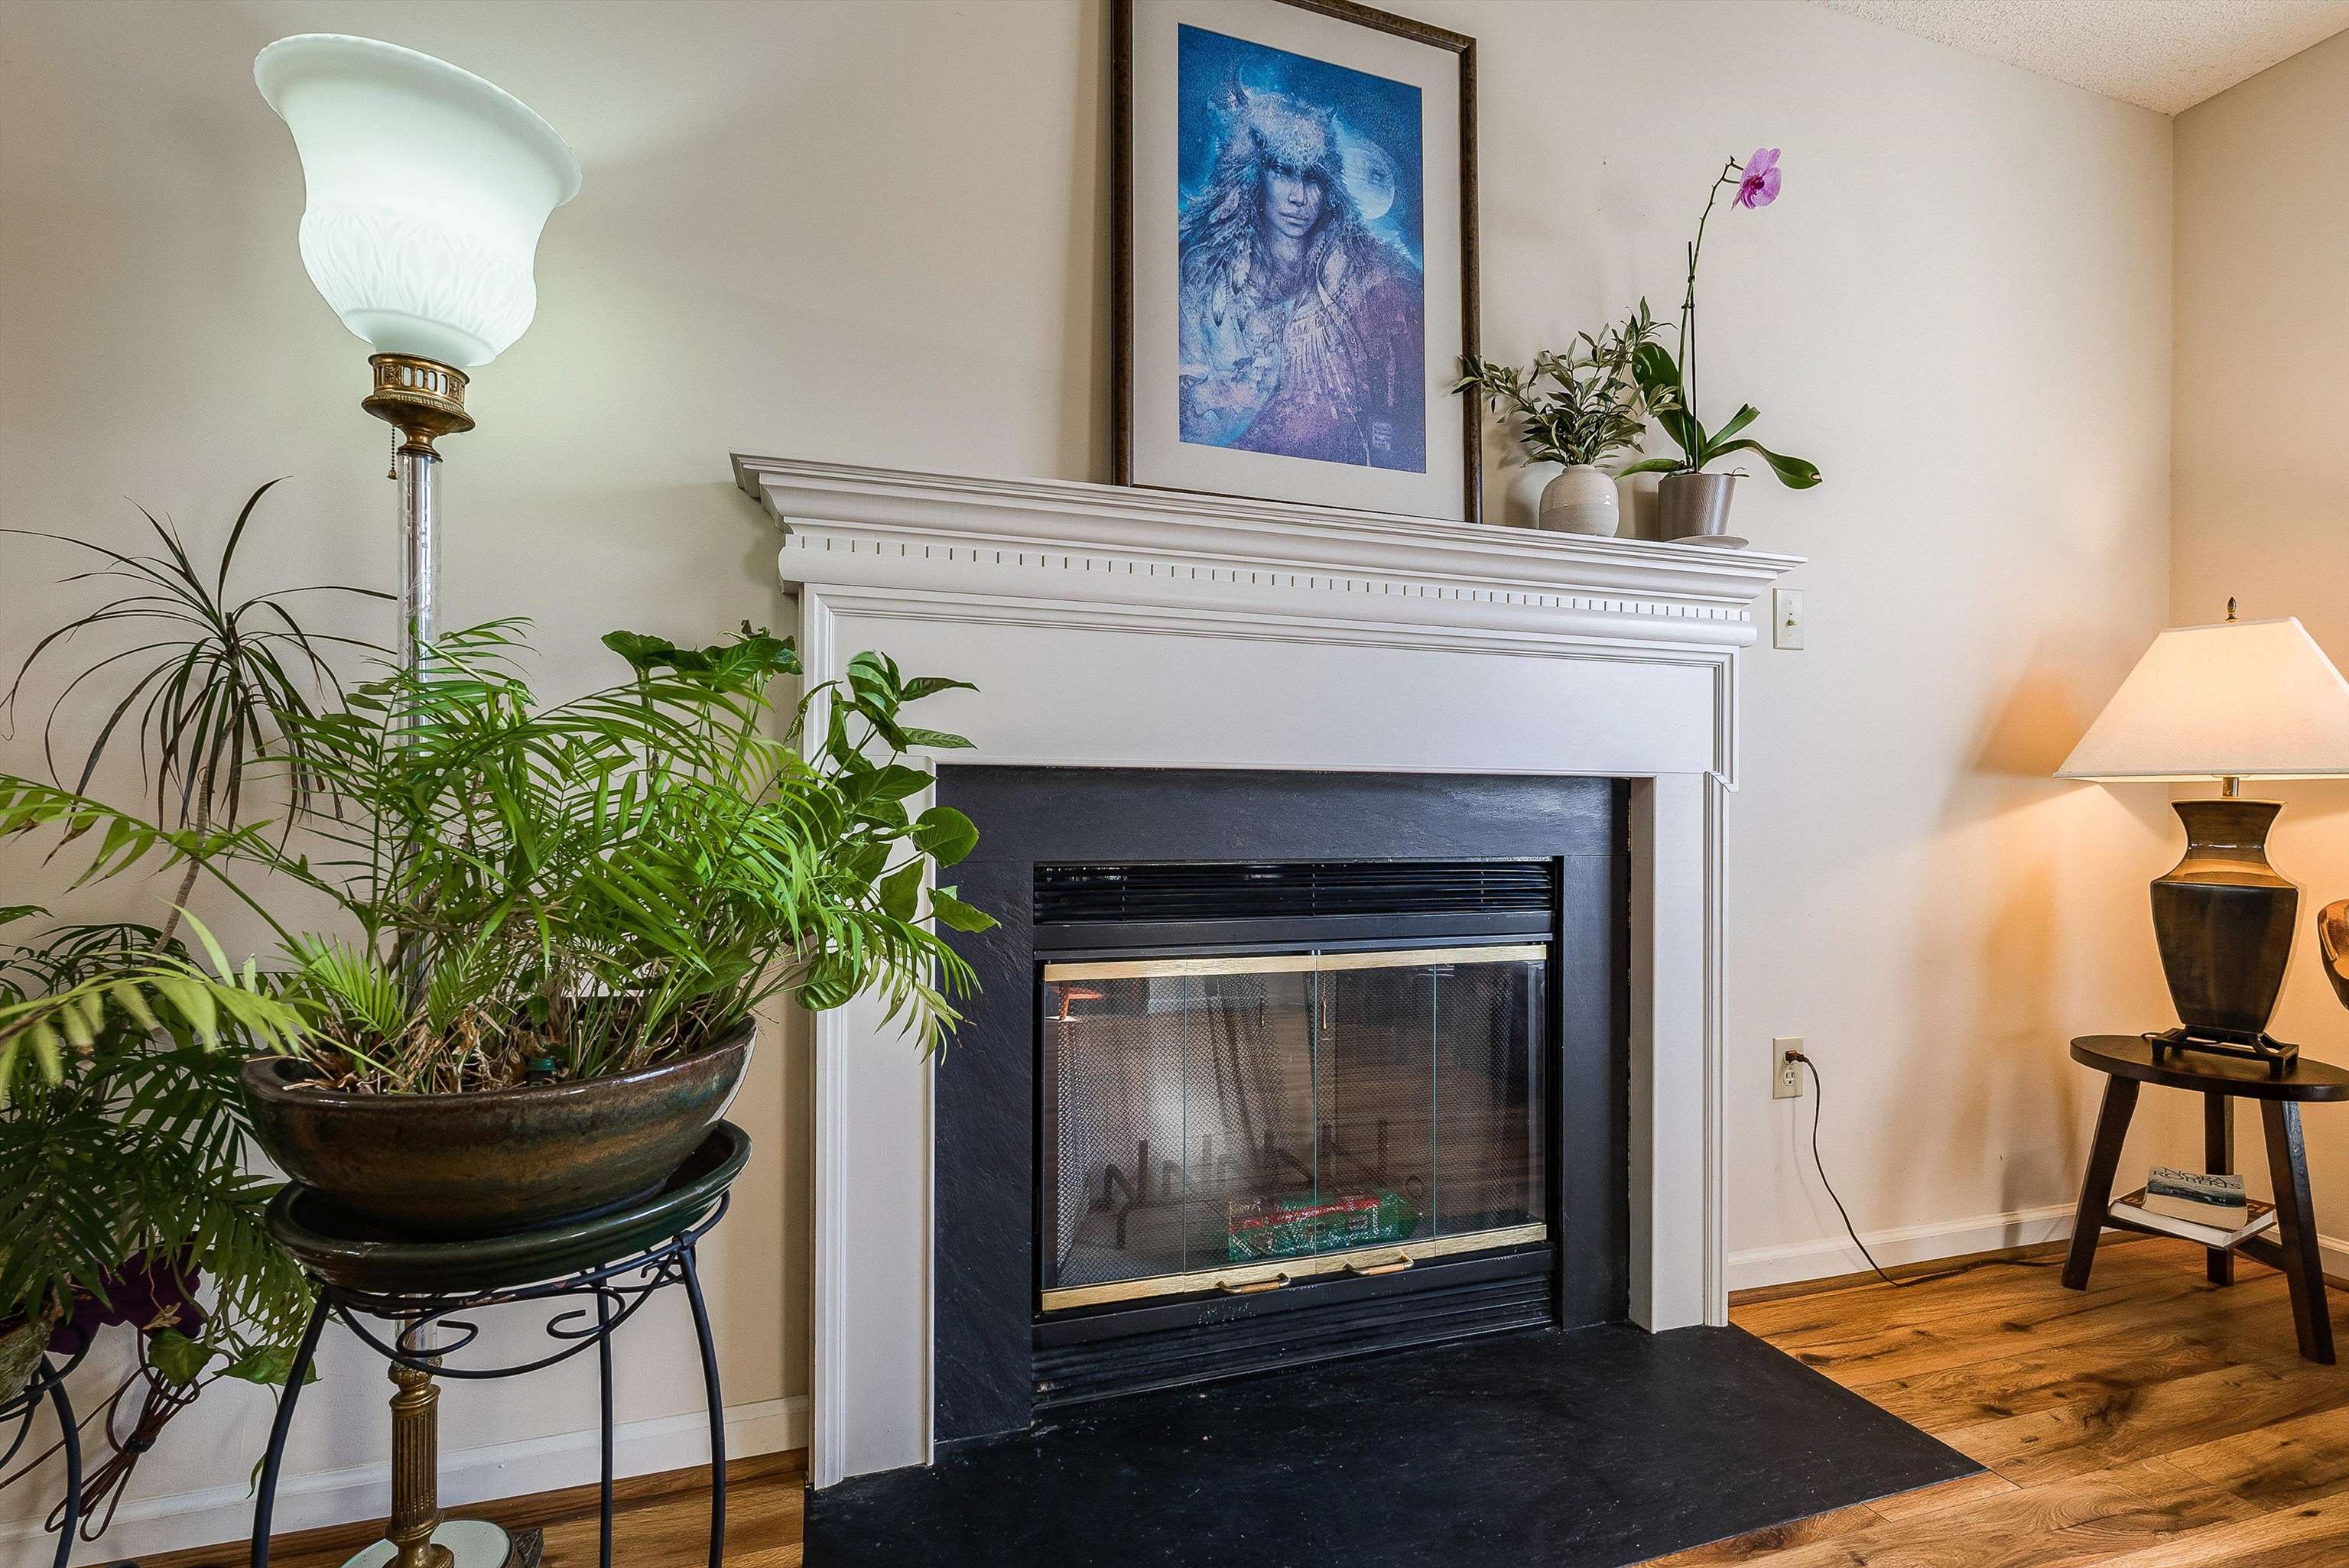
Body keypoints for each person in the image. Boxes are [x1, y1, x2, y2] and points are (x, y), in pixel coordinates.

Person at [1177, 83, 1425, 471]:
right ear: (1253, 177)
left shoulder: (1363, 275)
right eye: (1283, 172)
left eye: (1314, 179)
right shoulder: (1202, 275)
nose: (1300, 197)